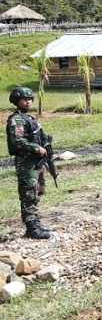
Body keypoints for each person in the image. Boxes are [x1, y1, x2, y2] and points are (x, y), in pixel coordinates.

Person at [6, 87, 52, 239]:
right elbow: (17, 141)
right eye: (25, 99)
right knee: (28, 194)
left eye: (30, 99)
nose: (28, 102)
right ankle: (32, 228)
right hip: (26, 163)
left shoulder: (29, 118)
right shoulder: (17, 120)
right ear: (17, 101)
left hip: (36, 162)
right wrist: (36, 148)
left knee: (36, 192)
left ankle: (35, 223)